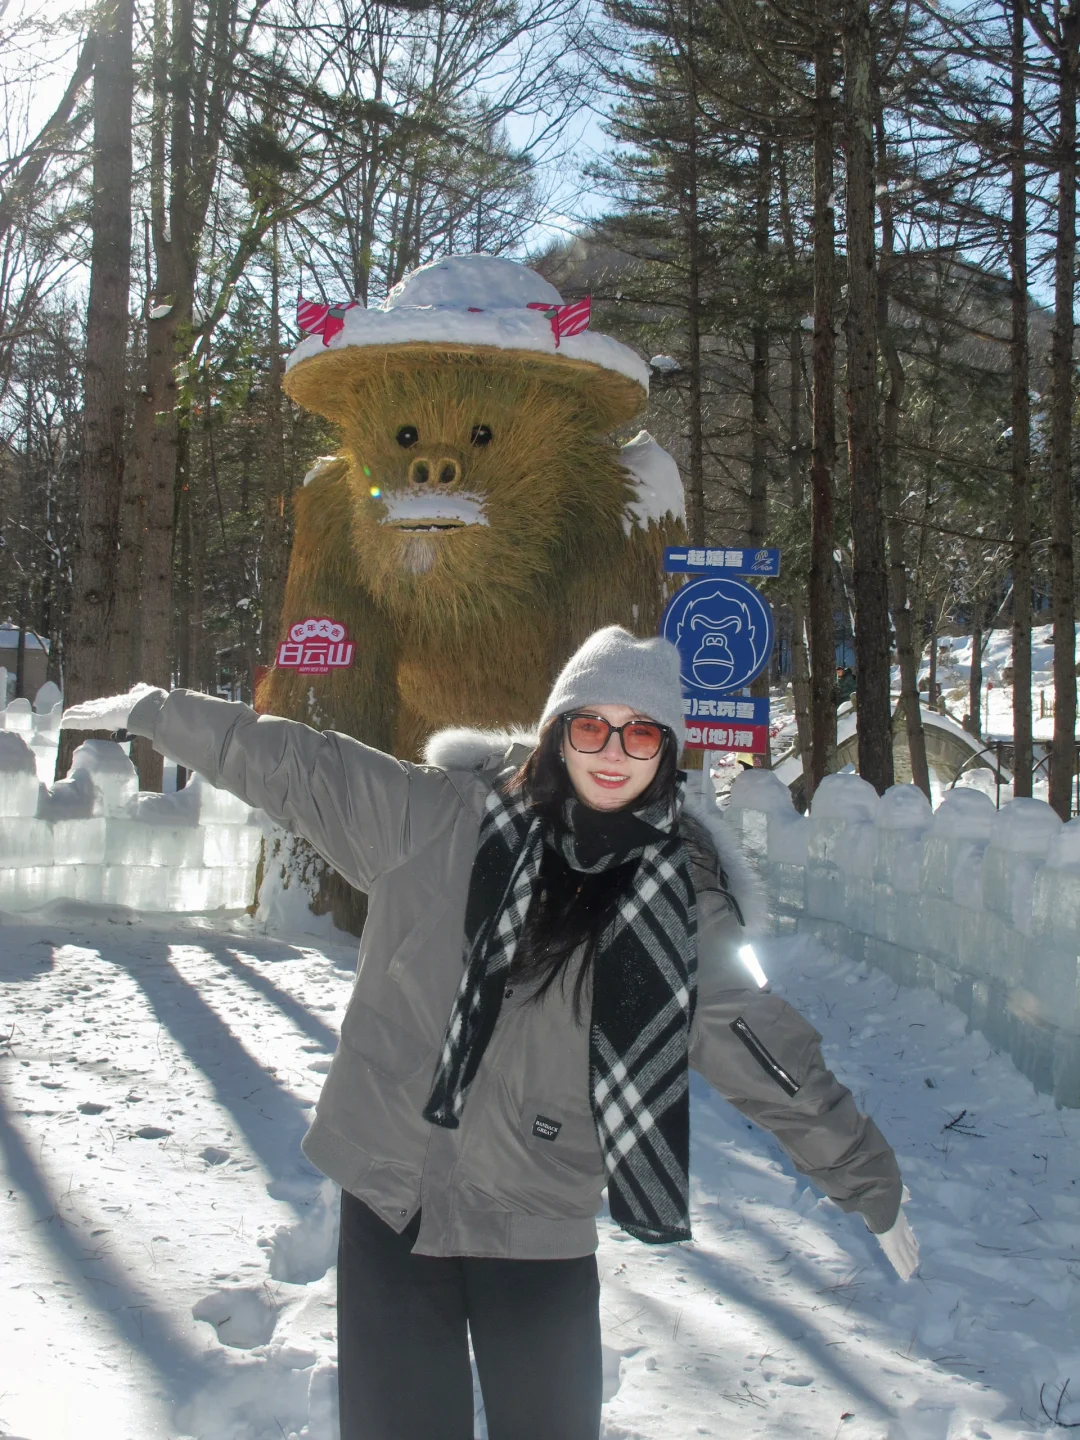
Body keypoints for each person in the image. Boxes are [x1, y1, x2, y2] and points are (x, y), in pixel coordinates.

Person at [63, 626, 918, 1440]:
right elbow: (294, 764)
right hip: (391, 1193)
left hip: (533, 1218)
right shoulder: (436, 819)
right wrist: (157, 710)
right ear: (555, 731)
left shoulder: (681, 906)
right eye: (591, 725)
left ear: (668, 752)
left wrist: (865, 1175)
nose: (612, 752)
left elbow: (764, 1049)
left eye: (640, 735)